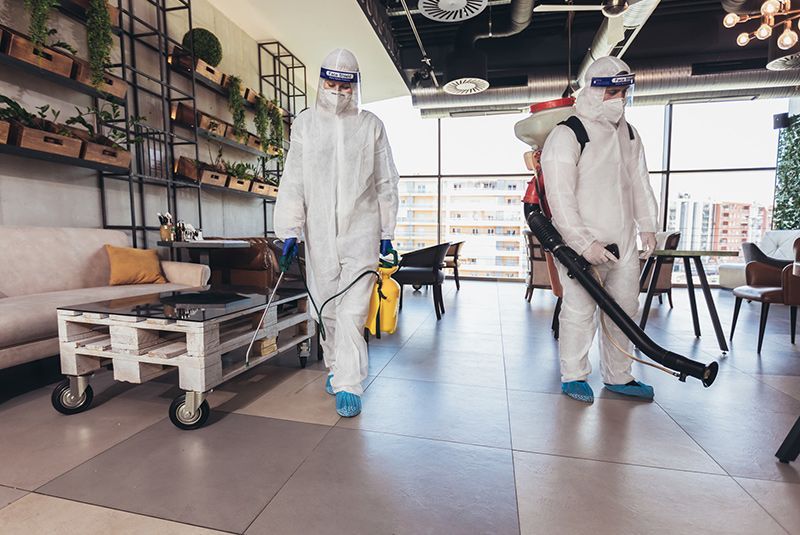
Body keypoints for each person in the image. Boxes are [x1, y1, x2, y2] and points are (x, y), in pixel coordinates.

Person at [274, 48, 399, 417]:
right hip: (319, 233)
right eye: (332, 83)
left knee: (352, 311)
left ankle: (350, 383)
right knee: (326, 308)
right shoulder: (306, 124)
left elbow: (386, 180)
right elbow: (293, 178)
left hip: (362, 228)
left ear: (355, 87)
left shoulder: (371, 125)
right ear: (321, 81)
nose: (338, 92)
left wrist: (386, 230)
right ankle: (336, 367)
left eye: (346, 86)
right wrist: (289, 230)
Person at [540, 56, 659, 404]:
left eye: (624, 92)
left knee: (625, 309)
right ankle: (574, 376)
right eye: (612, 92)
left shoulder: (630, 135)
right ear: (593, 91)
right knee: (579, 311)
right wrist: (581, 242)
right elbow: (559, 197)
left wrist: (648, 226)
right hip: (582, 244)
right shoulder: (567, 133)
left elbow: (640, 182)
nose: (619, 99)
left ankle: (619, 376)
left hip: (622, 240)